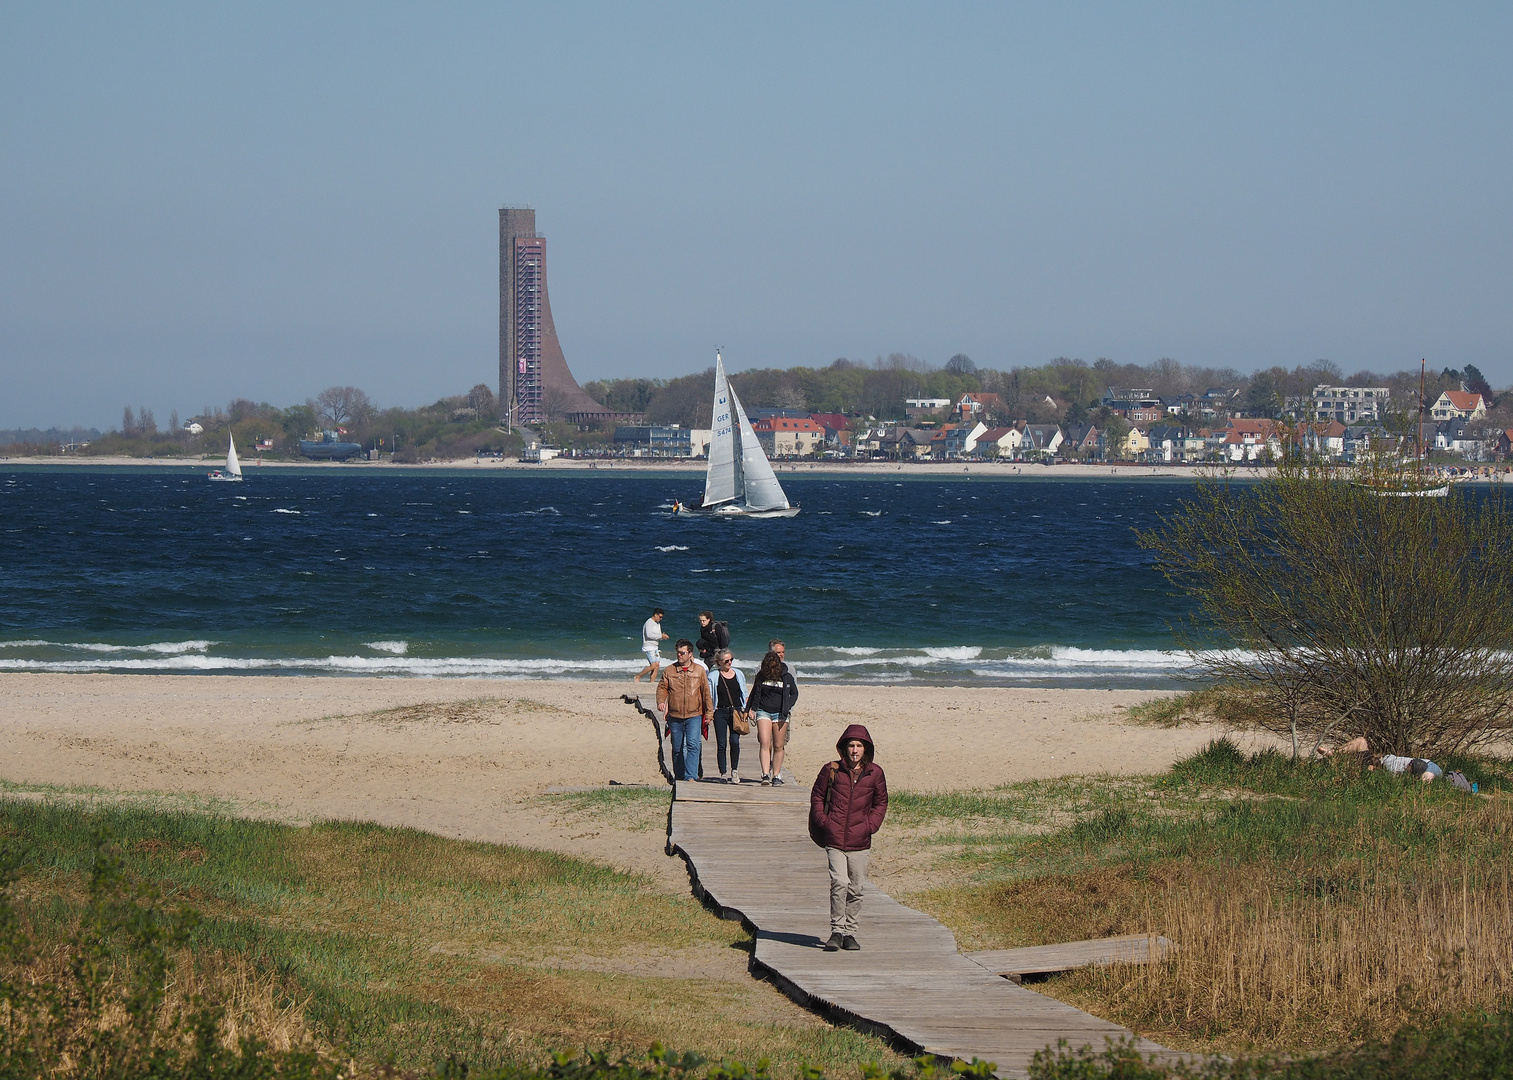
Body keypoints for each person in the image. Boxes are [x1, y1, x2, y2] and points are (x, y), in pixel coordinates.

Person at [810, 725, 888, 952]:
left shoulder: (876, 773)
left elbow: (881, 803)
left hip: (860, 841)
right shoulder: (831, 770)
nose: (855, 750)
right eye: (851, 745)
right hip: (834, 839)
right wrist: (825, 822)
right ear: (844, 747)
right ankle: (836, 931)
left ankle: (850, 934)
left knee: (856, 888)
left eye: (859, 746)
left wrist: (870, 825)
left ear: (866, 749)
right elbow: (817, 796)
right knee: (839, 883)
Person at [656, 639, 712, 782]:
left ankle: (691, 776)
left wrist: (709, 713)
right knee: (677, 748)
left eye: (683, 653)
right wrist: (661, 701)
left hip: (694, 715)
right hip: (675, 715)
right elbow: (662, 687)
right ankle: (680, 776)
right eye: (678, 653)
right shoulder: (670, 670)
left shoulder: (699, 670)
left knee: (693, 745)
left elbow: (706, 693)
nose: (680, 655)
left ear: (690, 654)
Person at [747, 650, 798, 785]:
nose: (771, 669)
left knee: (778, 745)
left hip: (780, 714)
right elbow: (754, 693)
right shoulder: (761, 676)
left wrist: (787, 707)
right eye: (769, 667)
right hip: (764, 711)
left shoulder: (786, 676)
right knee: (764, 742)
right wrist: (750, 709)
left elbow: (794, 693)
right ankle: (765, 774)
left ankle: (776, 775)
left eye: (773, 666)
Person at [706, 649, 747, 783]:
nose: (730, 662)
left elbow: (744, 693)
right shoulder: (713, 676)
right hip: (720, 712)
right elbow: (709, 696)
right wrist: (709, 713)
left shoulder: (738, 674)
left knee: (735, 741)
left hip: (736, 711)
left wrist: (747, 710)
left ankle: (734, 771)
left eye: (731, 660)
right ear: (719, 662)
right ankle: (723, 773)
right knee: (721, 743)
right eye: (726, 661)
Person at [634, 608, 669, 683]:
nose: (661, 619)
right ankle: (638, 676)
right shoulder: (649, 622)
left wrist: (663, 637)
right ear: (655, 615)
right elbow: (649, 635)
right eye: (660, 617)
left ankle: (652, 682)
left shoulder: (657, 624)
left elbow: (657, 635)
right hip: (648, 646)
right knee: (653, 665)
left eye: (662, 617)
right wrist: (661, 636)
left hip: (655, 646)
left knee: (656, 666)